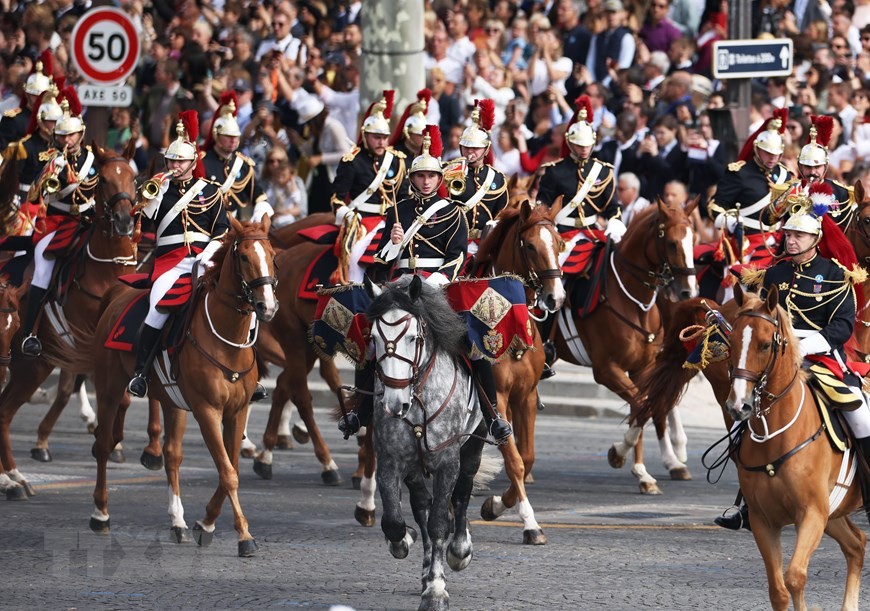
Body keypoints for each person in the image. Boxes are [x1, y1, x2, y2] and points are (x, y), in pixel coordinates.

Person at [339, 125, 513, 444]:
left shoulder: (453, 212)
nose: (426, 181)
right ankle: (359, 410)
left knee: (471, 342)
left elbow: (458, 254)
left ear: (439, 179)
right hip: (401, 284)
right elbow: (380, 259)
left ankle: (492, 415)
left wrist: (433, 282)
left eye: (432, 176)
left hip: (439, 285)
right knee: (371, 338)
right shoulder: (398, 210)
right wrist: (392, 245)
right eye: (421, 176)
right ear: (413, 179)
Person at [717, 201, 870, 530]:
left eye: (799, 235)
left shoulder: (834, 274)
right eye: (788, 234)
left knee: (861, 414)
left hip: (820, 357)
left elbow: (841, 327)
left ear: (815, 239)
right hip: (774, 360)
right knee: (738, 422)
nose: (791, 240)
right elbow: (756, 318)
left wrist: (800, 344)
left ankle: (868, 491)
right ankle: (746, 501)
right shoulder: (774, 274)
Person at [127, 112, 230, 398]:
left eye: (180, 161)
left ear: (193, 162)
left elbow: (222, 229)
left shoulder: (211, 191)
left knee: (238, 298)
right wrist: (151, 197)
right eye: (171, 160)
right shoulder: (159, 188)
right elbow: (143, 225)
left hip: (206, 258)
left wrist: (207, 254)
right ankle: (140, 372)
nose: (174, 165)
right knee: (158, 306)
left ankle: (250, 371)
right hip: (170, 262)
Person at [536, 95, 622, 378]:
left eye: (587, 145)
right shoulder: (554, 172)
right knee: (553, 278)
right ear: (570, 143)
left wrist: (616, 222)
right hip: (564, 235)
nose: (583, 150)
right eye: (578, 145)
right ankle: (546, 339)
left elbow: (612, 207)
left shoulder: (605, 172)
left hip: (593, 233)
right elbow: (542, 208)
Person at [20, 87, 96, 357]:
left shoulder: (93, 159)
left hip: (89, 221)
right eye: (62, 135)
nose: (68, 139)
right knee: (43, 267)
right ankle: (30, 331)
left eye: (72, 134)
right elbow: (35, 193)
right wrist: (55, 171)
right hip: (56, 222)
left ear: (81, 134)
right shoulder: (51, 159)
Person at [329, 90, 407, 284]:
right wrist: (348, 215)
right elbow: (336, 198)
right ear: (365, 136)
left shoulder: (397, 161)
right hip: (363, 221)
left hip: (392, 221)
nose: (381, 142)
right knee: (355, 257)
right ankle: (354, 291)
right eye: (376, 137)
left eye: (384, 137)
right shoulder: (352, 161)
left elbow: (404, 195)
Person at [708, 109, 794, 267]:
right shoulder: (739, 173)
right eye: (767, 153)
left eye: (776, 154)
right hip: (748, 242)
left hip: (781, 241)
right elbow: (716, 206)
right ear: (757, 149)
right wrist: (732, 222)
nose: (772, 158)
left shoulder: (786, 175)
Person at [444, 98, 508, 258]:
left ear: (486, 150)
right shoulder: (448, 171)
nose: (471, 152)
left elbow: (499, 214)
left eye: (476, 148)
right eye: (466, 147)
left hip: (484, 244)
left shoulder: (496, 178)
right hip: (454, 241)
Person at [770, 115, 856, 232]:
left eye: (817, 167)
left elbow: (848, 229)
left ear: (825, 166)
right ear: (800, 166)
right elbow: (768, 220)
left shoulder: (840, 191)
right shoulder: (790, 188)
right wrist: (789, 195)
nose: (812, 172)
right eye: (808, 167)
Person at [201, 91, 273, 223]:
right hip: (207, 223)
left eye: (235, 136)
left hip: (235, 224)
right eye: (228, 136)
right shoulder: (203, 162)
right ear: (217, 135)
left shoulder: (243, 164)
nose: (233, 140)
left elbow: (256, 192)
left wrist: (261, 207)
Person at [0, 50, 53, 151]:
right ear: (27, 94)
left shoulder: (51, 120)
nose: (39, 99)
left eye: (43, 95)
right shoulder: (14, 120)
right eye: (34, 95)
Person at [388, 88, 432, 162]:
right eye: (420, 135)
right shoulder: (393, 155)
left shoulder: (428, 156)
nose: (424, 138)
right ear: (408, 133)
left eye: (425, 135)